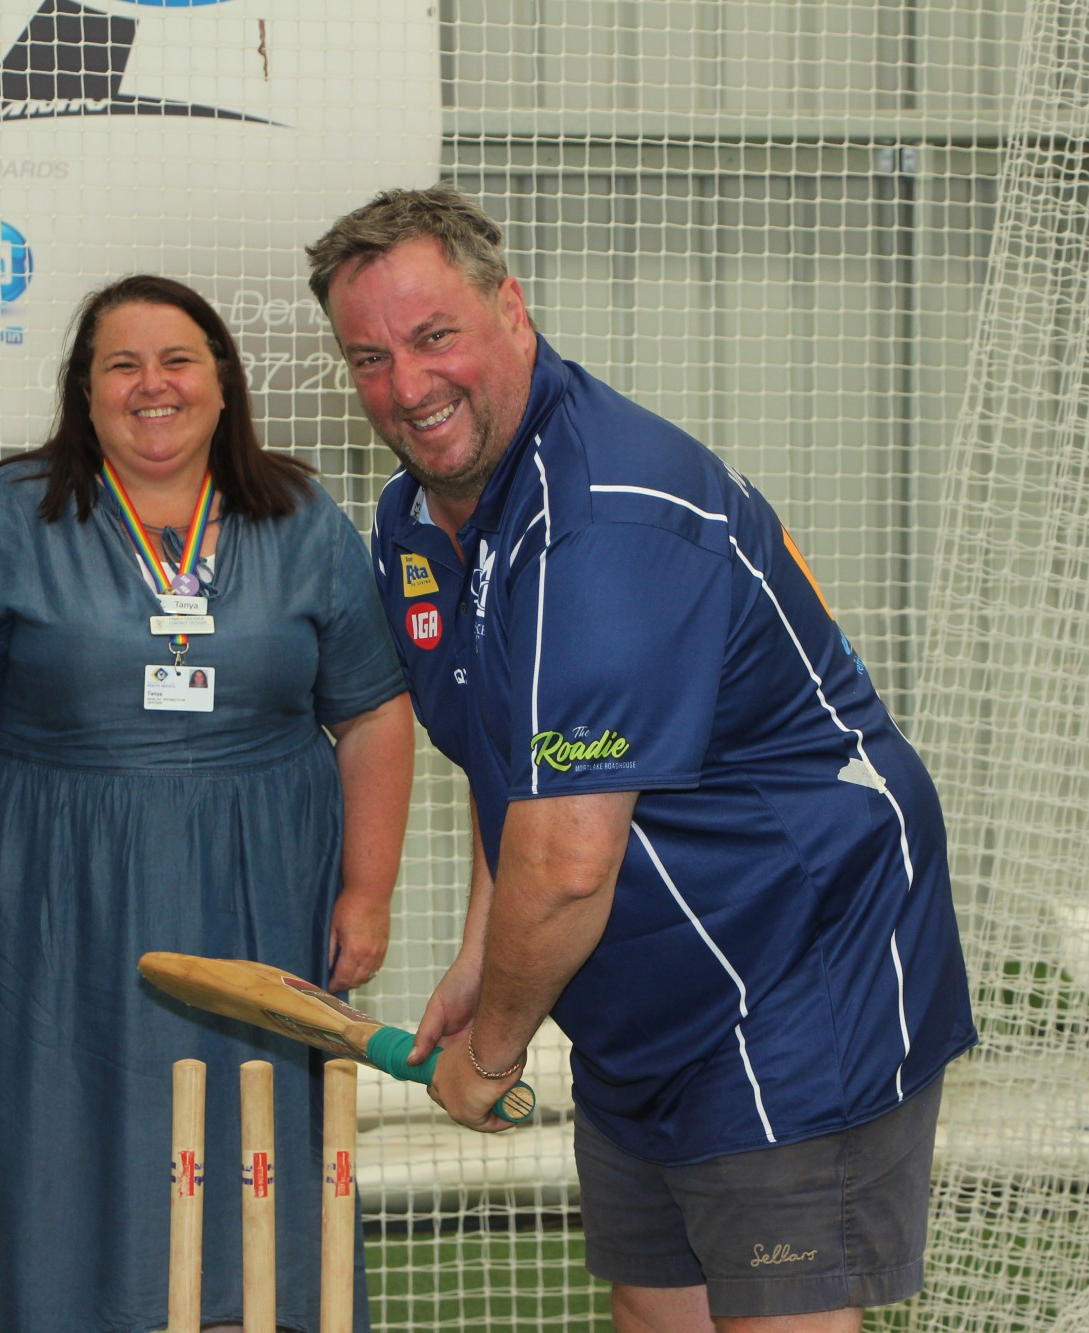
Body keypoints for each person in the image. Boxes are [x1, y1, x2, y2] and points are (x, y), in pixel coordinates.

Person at [305, 186, 976, 1333]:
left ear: (509, 311)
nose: (406, 388)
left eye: (432, 339)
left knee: (775, 1312)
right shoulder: (414, 520)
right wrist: (480, 955)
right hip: (640, 985)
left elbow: (565, 862)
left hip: (791, 963)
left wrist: (496, 1047)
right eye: (368, 358)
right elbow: (499, 758)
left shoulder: (604, 523)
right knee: (657, 1305)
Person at [0, 274, 412, 1333]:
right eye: (119, 365)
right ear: (84, 392)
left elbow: (372, 713)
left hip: (262, 892)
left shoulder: (303, 518)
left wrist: (366, 889)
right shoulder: (9, 517)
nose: (150, 385)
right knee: (59, 1134)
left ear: (223, 381)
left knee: (252, 1139)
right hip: (54, 900)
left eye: (176, 359)